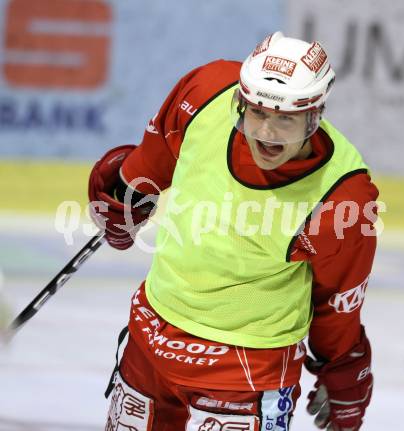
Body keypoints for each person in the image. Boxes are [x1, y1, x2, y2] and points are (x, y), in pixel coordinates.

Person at [89, 32, 378, 431]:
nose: (266, 132)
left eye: (285, 119)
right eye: (256, 112)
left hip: (247, 369)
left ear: (314, 116)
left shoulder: (343, 197)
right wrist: (123, 192)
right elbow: (153, 161)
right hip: (151, 335)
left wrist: (343, 368)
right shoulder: (205, 92)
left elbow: (337, 302)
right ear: (239, 101)